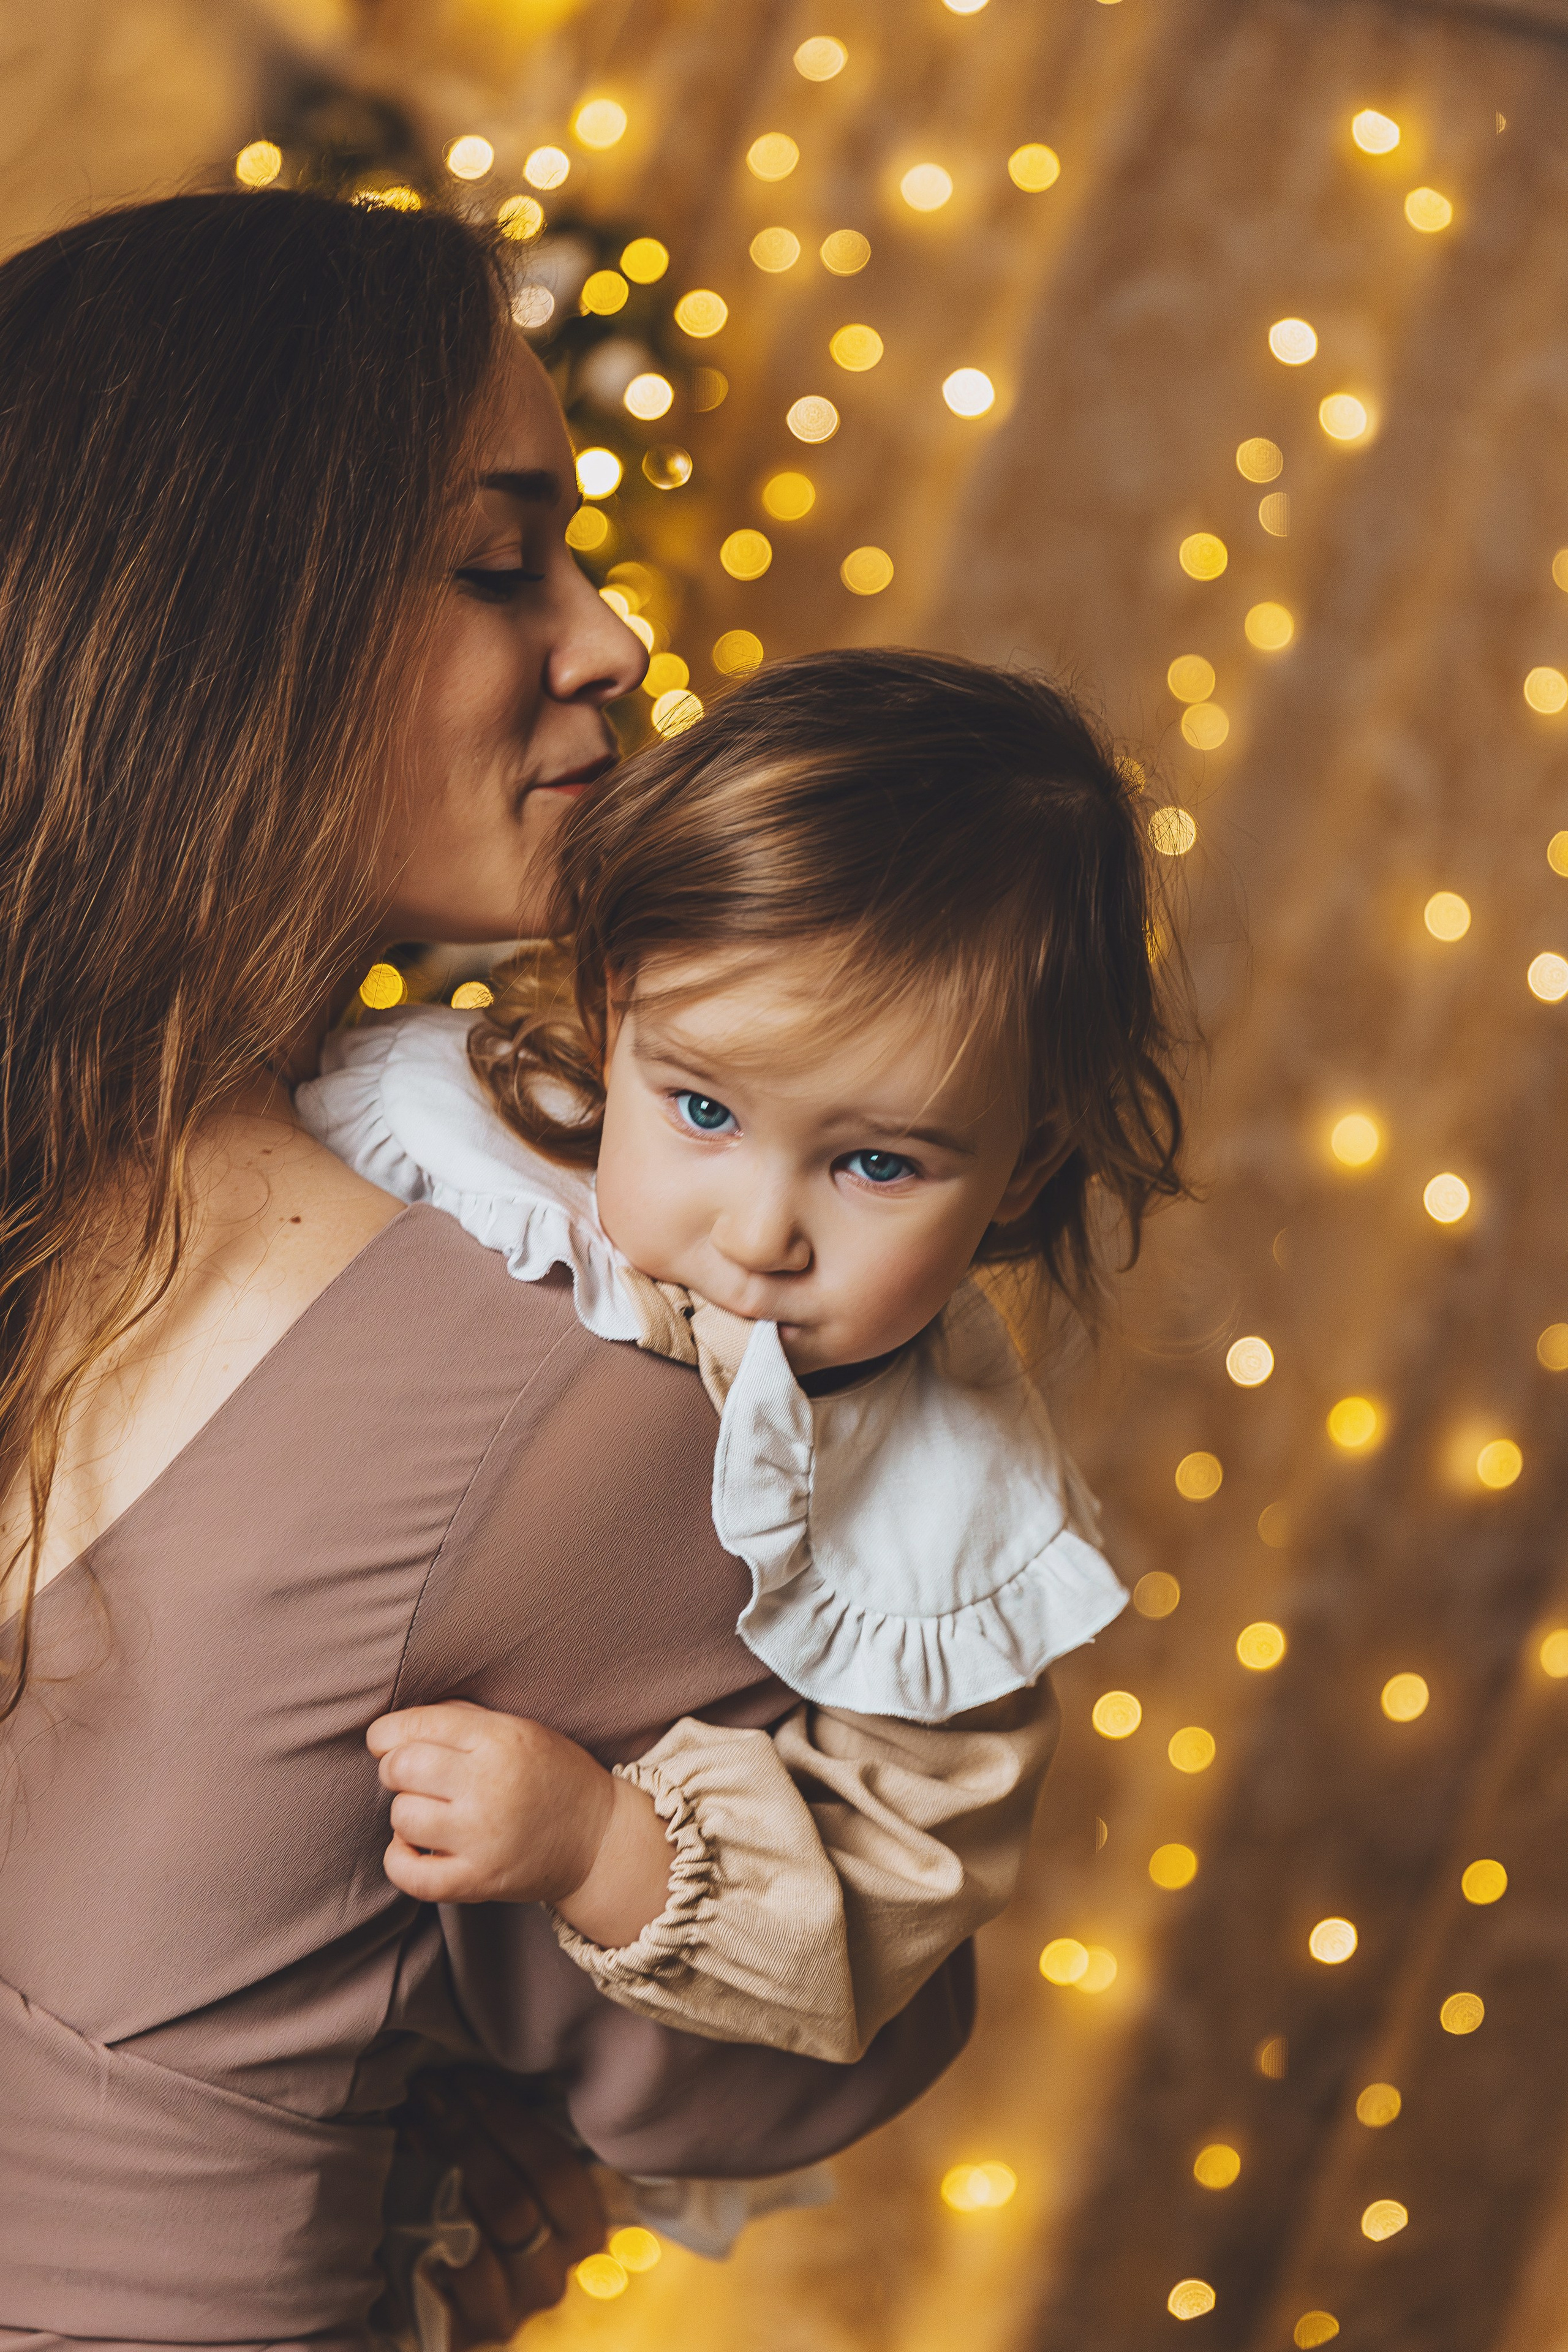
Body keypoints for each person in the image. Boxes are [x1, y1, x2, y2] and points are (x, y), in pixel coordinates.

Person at [0, 188, 974, 2352]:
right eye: (497, 554)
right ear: (221, 610)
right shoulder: (538, 1404)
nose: (612, 639)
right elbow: (806, 2046)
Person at [300, 649, 1188, 2073]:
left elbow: (892, 1898)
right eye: (702, 1107)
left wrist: (598, 1839)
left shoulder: (954, 1514)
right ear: (611, 1005)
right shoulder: (430, 1141)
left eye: (879, 1163)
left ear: (1023, 1172)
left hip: (467, 2046)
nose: (763, 1230)